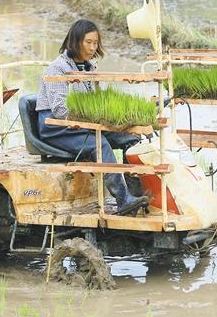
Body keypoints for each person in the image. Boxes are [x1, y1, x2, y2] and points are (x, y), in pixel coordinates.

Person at [36, 19, 148, 215]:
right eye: (88, 42)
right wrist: (90, 120)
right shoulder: (58, 68)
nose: (92, 47)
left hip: (84, 123)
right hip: (56, 126)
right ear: (75, 41)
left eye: (95, 43)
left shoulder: (89, 67)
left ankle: (135, 193)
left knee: (131, 138)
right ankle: (122, 199)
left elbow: (96, 101)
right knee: (100, 143)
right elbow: (60, 110)